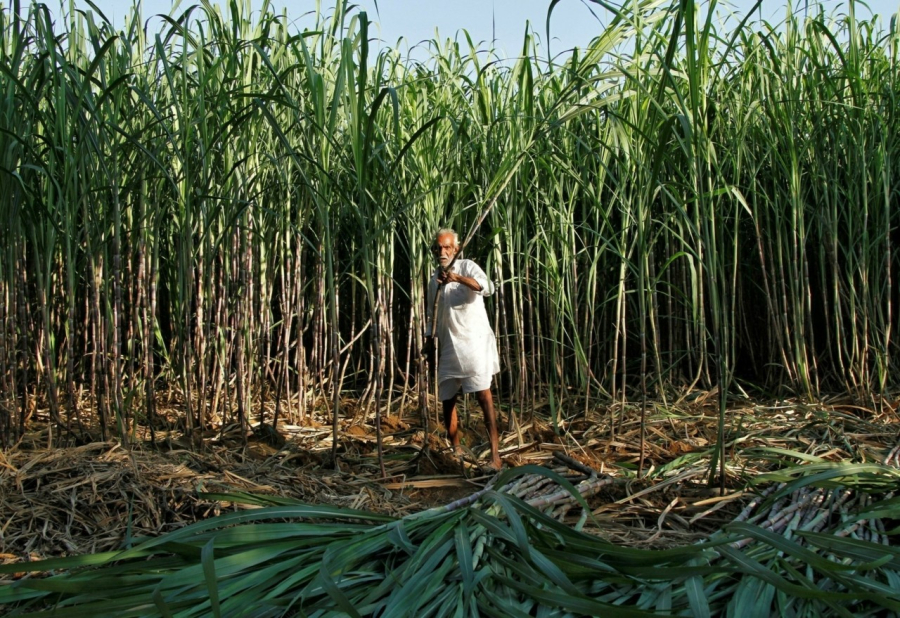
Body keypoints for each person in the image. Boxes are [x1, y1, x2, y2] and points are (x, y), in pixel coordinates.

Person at [423, 228, 502, 470]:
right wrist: (428, 340)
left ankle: (495, 458)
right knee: (448, 397)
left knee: (483, 396)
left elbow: (488, 287)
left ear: (456, 249)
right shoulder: (433, 280)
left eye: (447, 247)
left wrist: (456, 278)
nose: (442, 252)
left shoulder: (467, 267)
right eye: (438, 248)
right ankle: (455, 451)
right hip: (448, 344)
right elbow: (431, 315)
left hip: (474, 343)